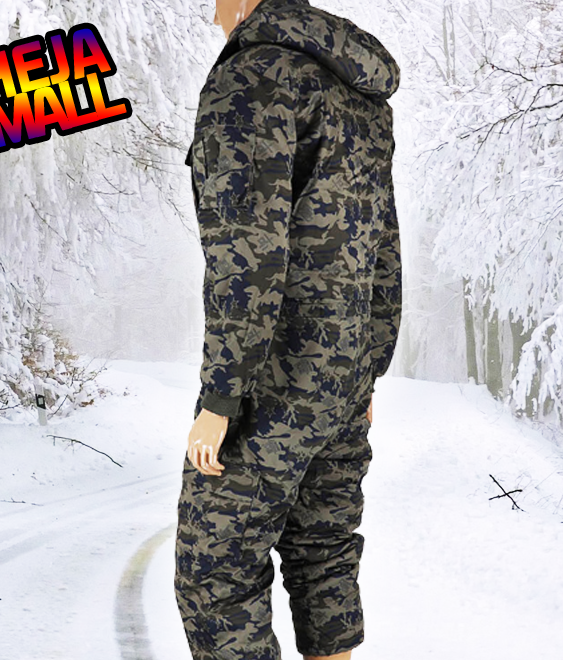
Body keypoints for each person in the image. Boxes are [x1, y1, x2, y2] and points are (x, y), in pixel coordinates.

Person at [174, 0, 401, 658]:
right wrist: (366, 375)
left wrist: (221, 399)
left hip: (273, 381)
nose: (212, 13)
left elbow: (245, 256)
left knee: (215, 575)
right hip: (343, 379)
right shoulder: (360, 94)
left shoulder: (251, 76)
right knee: (323, 556)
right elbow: (383, 251)